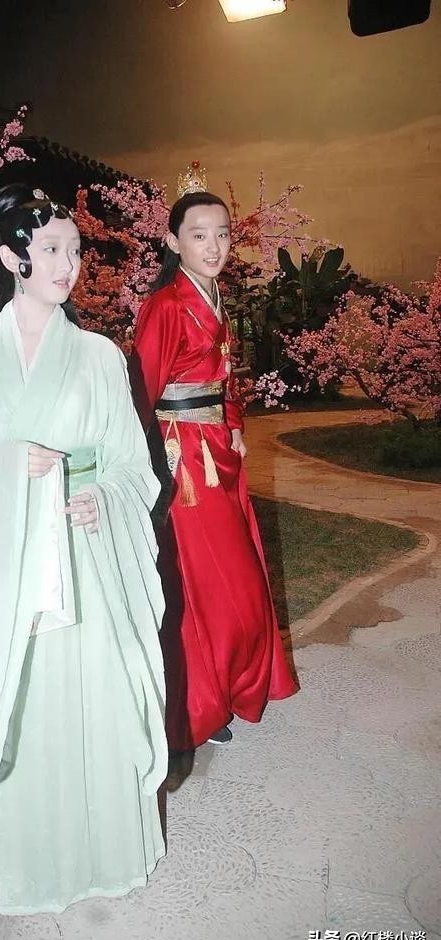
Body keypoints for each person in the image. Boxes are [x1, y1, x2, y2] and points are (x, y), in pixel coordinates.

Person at [0, 185, 167, 916]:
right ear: (11, 258)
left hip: (86, 553)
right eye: (53, 249)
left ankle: (109, 852)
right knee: (26, 705)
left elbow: (134, 466)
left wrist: (105, 497)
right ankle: (37, 862)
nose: (69, 264)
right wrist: (7, 464)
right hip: (13, 560)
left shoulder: (99, 356)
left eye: (75, 249)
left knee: (94, 699)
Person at [130, 163, 298, 758]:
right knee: (208, 583)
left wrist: (233, 425)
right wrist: (148, 466)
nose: (214, 246)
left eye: (222, 234)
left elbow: (223, 381)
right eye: (199, 234)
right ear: (173, 241)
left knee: (235, 580)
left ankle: (224, 688)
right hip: (183, 463)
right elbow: (139, 393)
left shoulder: (215, 299)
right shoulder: (166, 305)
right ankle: (200, 702)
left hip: (218, 452)